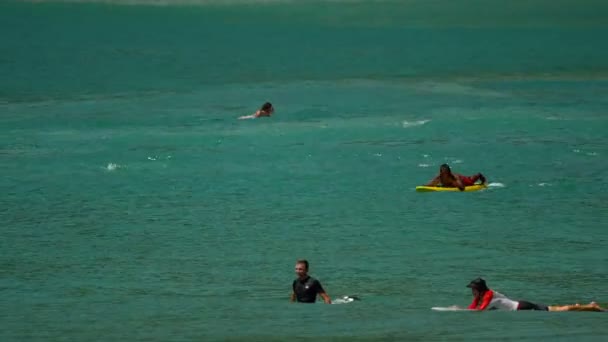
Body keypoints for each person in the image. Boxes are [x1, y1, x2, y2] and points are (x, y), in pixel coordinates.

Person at [465, 277, 605, 312]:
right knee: (554, 309)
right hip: (521, 306)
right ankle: (585, 306)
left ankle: (591, 307)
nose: (472, 290)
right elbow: (473, 308)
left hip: (522, 307)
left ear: (479, 288)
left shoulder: (488, 294)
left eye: (473, 288)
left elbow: (481, 310)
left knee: (557, 310)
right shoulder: (481, 296)